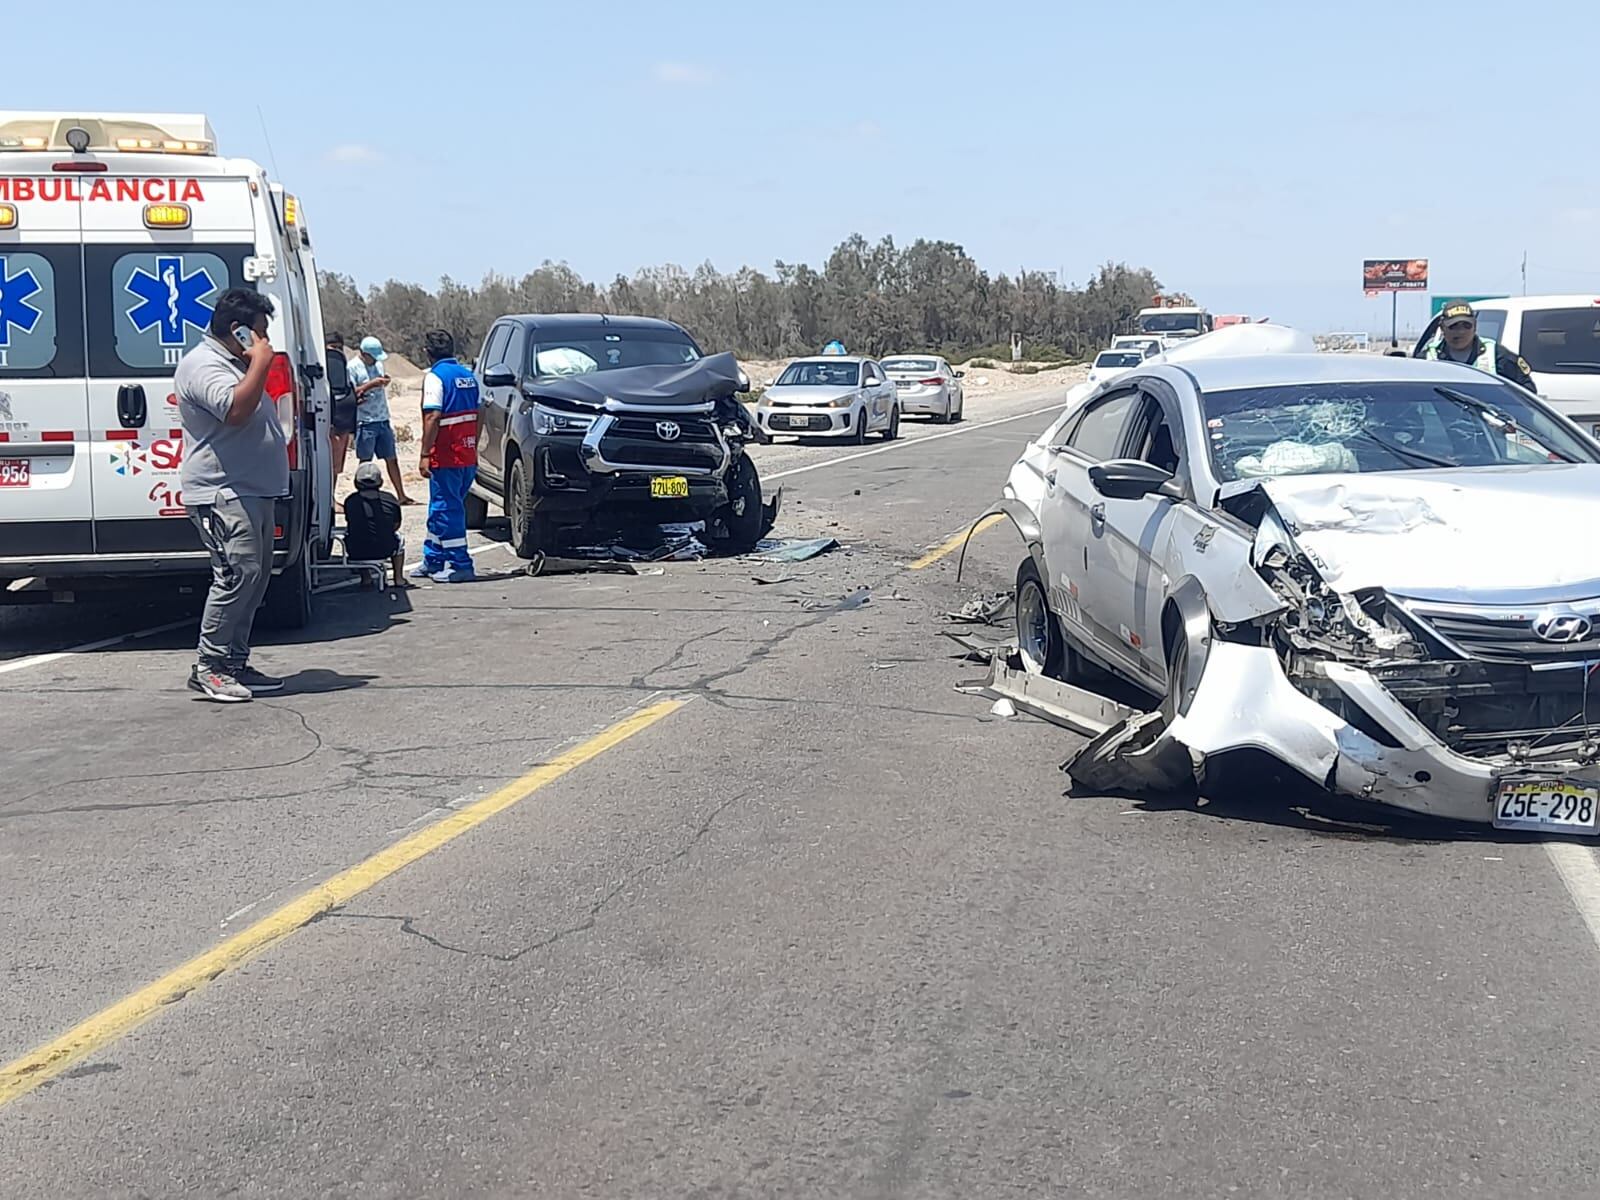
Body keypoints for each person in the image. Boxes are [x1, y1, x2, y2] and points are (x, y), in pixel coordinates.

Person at [174, 289, 289, 702]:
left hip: (253, 488)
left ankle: (235, 661)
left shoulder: (232, 363)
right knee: (235, 575)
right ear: (238, 330)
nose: (265, 341)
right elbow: (235, 410)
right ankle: (210, 664)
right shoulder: (203, 365)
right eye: (259, 332)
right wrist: (260, 363)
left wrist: (252, 364)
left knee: (254, 579)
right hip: (223, 491)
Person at [410, 329, 481, 583]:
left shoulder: (435, 378)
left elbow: (433, 416)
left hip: (447, 455)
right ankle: (433, 559)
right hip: (466, 454)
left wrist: (425, 453)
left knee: (446, 509)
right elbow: (479, 411)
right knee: (440, 508)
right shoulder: (468, 376)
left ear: (427, 353)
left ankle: (460, 564)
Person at [349, 335, 416, 504]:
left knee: (391, 458)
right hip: (365, 420)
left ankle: (401, 495)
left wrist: (384, 381)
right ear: (365, 354)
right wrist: (371, 384)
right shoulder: (352, 367)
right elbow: (352, 393)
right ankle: (363, 497)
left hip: (382, 418)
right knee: (365, 461)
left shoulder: (378, 364)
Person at [1420, 301, 1536, 390]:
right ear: (1442, 328)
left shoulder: (1496, 355)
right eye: (1453, 326)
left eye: (1466, 326)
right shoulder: (1427, 359)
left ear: (1475, 326)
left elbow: (1526, 392)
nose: (1460, 332)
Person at [343, 462, 408, 587]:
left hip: (357, 551)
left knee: (357, 534)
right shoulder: (390, 499)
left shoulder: (351, 501)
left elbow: (351, 521)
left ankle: (366, 578)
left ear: (356, 482)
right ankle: (398, 578)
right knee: (400, 538)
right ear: (380, 482)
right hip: (385, 549)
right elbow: (396, 524)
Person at [326, 331, 358, 477]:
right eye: (333, 347)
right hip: (333, 421)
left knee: (337, 466)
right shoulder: (328, 363)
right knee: (331, 462)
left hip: (344, 421)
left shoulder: (343, 366)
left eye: (339, 348)